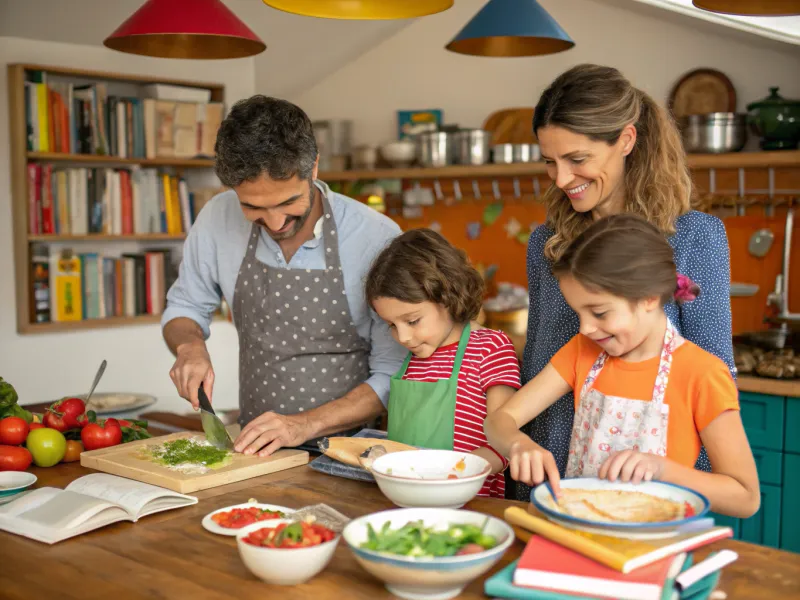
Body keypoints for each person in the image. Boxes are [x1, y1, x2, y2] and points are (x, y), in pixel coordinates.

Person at [517, 64, 735, 501]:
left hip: (648, 487)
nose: (561, 179)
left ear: (627, 141)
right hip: (547, 475)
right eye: (549, 162)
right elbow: (539, 356)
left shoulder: (694, 238)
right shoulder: (548, 243)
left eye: (577, 160)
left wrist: (696, 491)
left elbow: (716, 375)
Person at [161, 95, 406, 456]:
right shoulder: (216, 218)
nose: (275, 223)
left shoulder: (376, 237)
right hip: (256, 449)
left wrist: (302, 425)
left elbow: (394, 372)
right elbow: (185, 306)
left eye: (288, 203)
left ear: (315, 169)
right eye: (253, 207)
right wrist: (189, 346)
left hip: (353, 453)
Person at [485, 215, 759, 518]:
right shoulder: (582, 353)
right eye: (579, 313)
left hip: (655, 545)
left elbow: (745, 498)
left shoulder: (703, 374)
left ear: (649, 298)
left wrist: (661, 469)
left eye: (599, 313)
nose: (586, 328)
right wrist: (518, 444)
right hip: (581, 531)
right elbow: (499, 420)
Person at [365, 229, 520, 498]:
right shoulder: (412, 358)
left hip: (469, 504)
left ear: (447, 297)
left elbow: (504, 445)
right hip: (406, 500)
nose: (403, 337)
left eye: (412, 321)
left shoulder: (490, 348)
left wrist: (445, 476)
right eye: (391, 324)